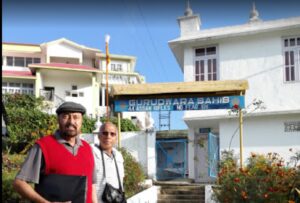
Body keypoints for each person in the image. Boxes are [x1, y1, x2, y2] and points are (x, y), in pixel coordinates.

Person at [13, 101, 98, 203]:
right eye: (65, 117)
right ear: (58, 119)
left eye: (76, 117)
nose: (71, 121)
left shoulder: (87, 148)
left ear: (81, 121)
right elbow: (19, 183)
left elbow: (91, 185)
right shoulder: (43, 146)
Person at [92, 122, 126, 203]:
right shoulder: (90, 152)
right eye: (105, 133)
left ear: (116, 138)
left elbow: (121, 180)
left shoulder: (118, 156)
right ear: (99, 136)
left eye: (112, 134)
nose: (108, 136)